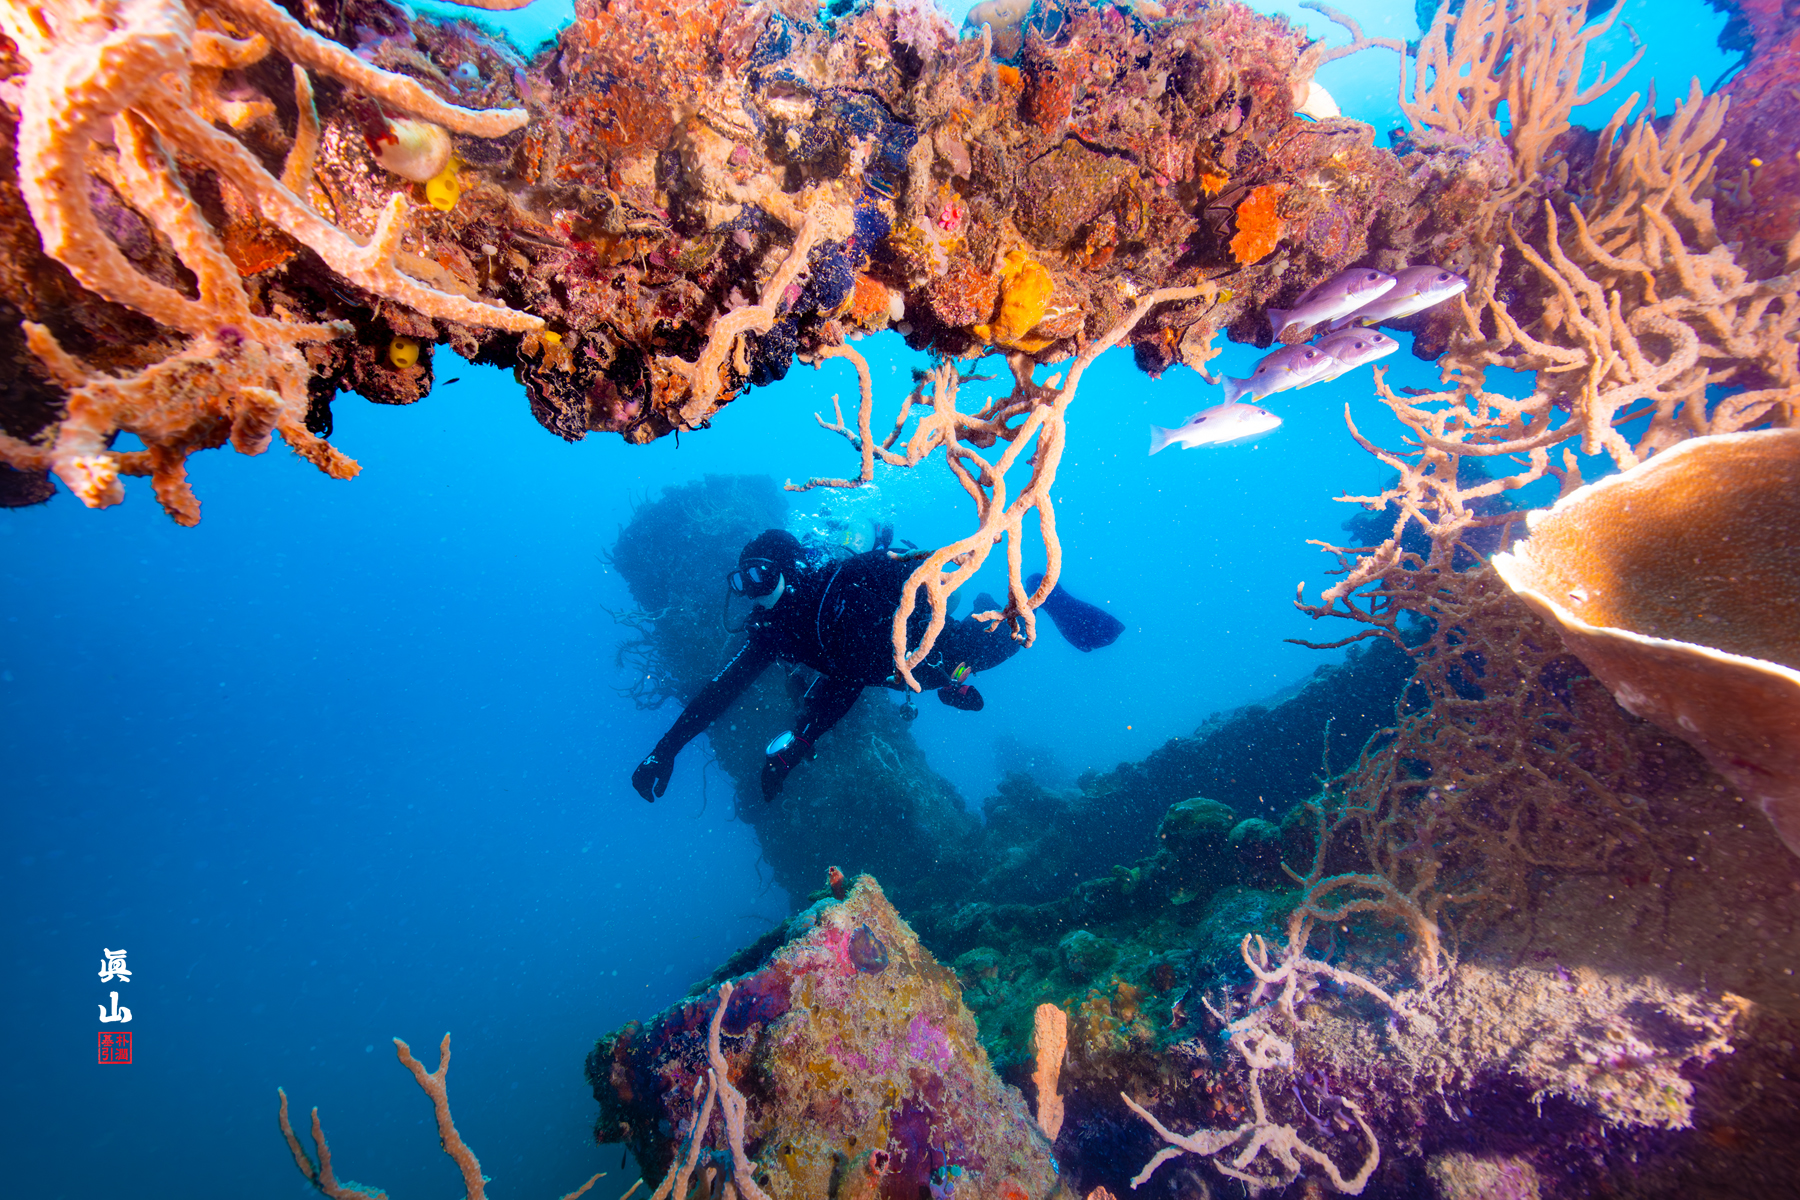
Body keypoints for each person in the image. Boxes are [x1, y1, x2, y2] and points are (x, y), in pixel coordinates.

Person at [630, 528, 1122, 803]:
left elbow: (923, 570)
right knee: (954, 659)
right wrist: (664, 750)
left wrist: (941, 578)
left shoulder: (847, 579)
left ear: (789, 569)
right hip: (904, 676)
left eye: (758, 576)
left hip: (946, 652)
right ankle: (989, 610)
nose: (750, 593)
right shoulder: (775, 631)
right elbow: (724, 689)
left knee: (1010, 638)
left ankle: (1039, 593)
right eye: (742, 582)